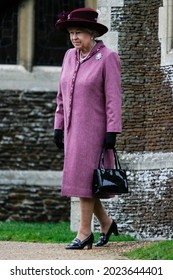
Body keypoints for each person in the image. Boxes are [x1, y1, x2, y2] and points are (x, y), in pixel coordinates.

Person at [54, 8, 122, 249]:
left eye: (79, 32)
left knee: (84, 180)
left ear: (92, 33)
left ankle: (84, 233)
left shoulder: (107, 58)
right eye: (71, 32)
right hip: (73, 130)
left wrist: (112, 131)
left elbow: (114, 98)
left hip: (95, 131)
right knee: (84, 181)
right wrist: (58, 126)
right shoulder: (68, 57)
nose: (74, 37)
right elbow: (61, 95)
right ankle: (106, 222)